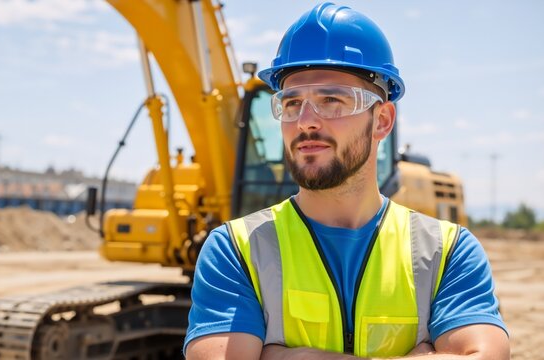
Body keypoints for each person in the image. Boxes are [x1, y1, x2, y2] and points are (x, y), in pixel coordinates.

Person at [184, 2, 509, 359]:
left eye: (331, 100)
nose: (305, 121)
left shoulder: (446, 252)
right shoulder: (236, 250)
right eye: (291, 103)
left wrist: (291, 356)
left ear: (382, 120)